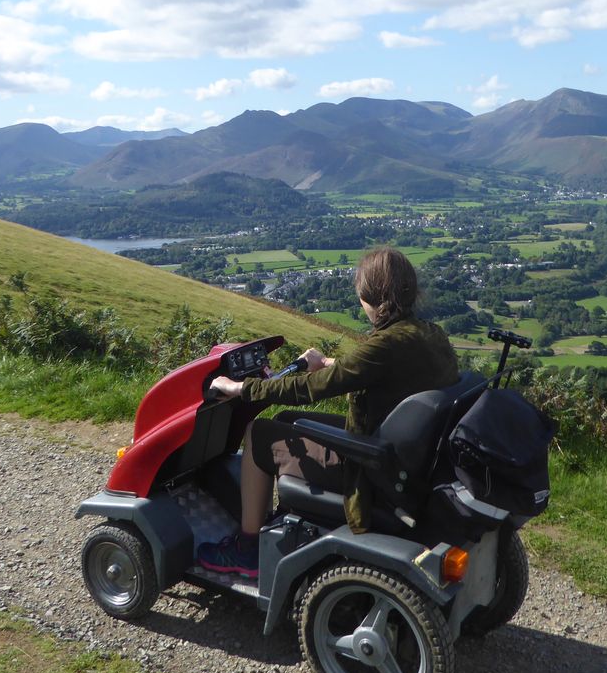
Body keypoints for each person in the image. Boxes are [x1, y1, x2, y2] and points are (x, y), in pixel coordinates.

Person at [196, 245, 459, 578]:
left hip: (372, 468)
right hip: (404, 455)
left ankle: (247, 550)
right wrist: (328, 364)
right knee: (285, 422)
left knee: (259, 433)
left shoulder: (386, 344)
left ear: (371, 297)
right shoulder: (427, 333)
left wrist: (240, 388)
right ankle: (283, 515)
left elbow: (306, 389)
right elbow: (377, 370)